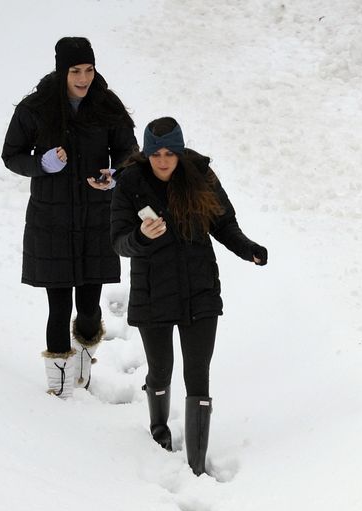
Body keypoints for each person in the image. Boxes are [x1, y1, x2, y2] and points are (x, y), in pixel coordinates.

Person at [110, 116, 267, 473]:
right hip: (153, 293)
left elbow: (223, 223)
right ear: (146, 154)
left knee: (198, 374)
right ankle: (159, 430)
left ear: (180, 152)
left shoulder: (200, 177)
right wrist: (141, 237)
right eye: (156, 154)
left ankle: (196, 463)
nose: (163, 161)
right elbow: (118, 240)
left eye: (170, 153)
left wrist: (248, 249)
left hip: (200, 291)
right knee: (161, 368)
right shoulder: (131, 183)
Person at [1, 37, 137, 397]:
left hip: (96, 219)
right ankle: (59, 393)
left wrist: (115, 175)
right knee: (58, 307)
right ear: (63, 70)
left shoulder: (106, 104)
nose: (83, 78)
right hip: (52, 220)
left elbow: (128, 151)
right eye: (76, 70)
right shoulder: (37, 108)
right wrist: (41, 164)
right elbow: (11, 155)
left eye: (89, 70)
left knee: (89, 309)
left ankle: (83, 363)